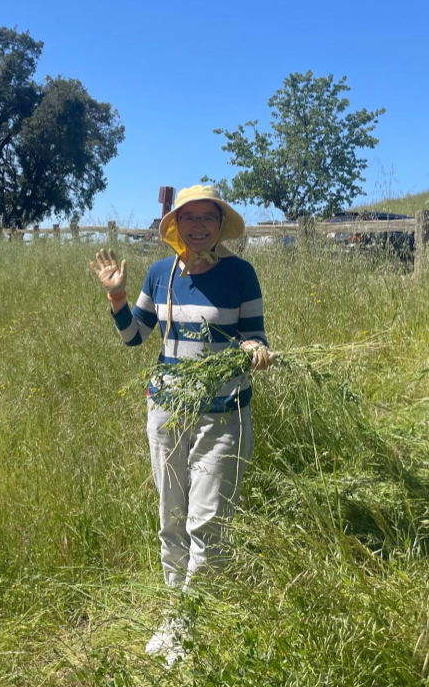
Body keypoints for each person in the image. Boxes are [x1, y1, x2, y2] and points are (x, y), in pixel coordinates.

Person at [90, 183, 277, 664]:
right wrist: (116, 297)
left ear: (219, 225)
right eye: (188, 218)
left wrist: (255, 349)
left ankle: (187, 623)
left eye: (207, 219)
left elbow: (254, 335)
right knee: (171, 519)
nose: (197, 227)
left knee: (208, 522)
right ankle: (176, 612)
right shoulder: (160, 273)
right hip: (168, 412)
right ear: (174, 225)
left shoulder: (241, 274)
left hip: (224, 416)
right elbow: (136, 337)